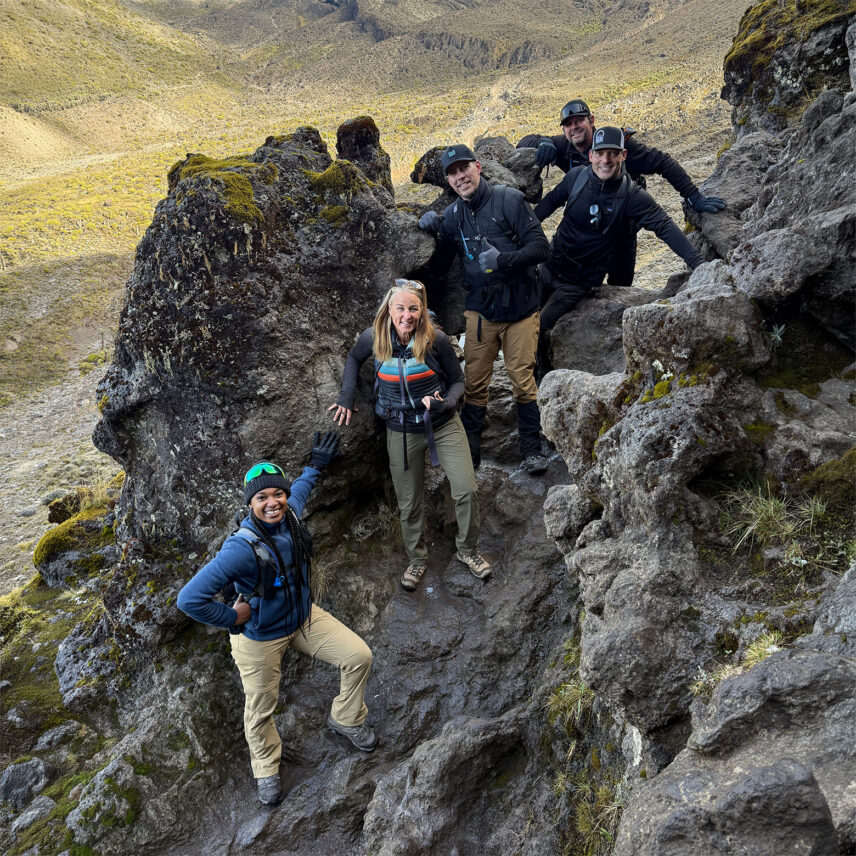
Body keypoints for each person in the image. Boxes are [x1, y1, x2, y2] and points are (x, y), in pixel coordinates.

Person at [176, 436, 376, 808]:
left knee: (359, 656)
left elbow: (300, 488)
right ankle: (266, 771)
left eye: (276, 494)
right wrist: (232, 618)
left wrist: (316, 466)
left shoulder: (291, 514)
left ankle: (346, 718)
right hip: (258, 637)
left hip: (302, 619)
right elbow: (188, 599)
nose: (273, 503)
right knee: (261, 709)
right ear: (250, 504)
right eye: (261, 498)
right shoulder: (240, 548)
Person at [330, 278, 491, 592]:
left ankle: (468, 552)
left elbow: (459, 382)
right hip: (400, 430)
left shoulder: (437, 340)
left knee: (466, 489)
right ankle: (417, 560)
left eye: (413, 308)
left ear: (422, 310)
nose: (407, 315)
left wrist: (447, 401)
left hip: (443, 424)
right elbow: (353, 359)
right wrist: (346, 396)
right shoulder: (373, 338)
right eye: (400, 308)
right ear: (390, 309)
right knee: (409, 502)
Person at [418, 144, 551, 475]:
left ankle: (532, 449)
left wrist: (504, 260)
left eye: (464, 168)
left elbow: (541, 248)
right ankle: (471, 450)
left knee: (522, 379)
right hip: (480, 310)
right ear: (448, 180)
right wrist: (430, 227)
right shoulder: (453, 219)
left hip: (521, 307)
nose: (460, 176)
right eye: (452, 172)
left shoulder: (509, 200)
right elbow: (440, 267)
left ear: (477, 166)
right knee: (475, 381)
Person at [533, 126, 706, 374]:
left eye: (612, 154)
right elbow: (546, 206)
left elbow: (666, 228)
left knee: (538, 327)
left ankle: (539, 380)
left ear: (623, 155)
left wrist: (698, 262)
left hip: (577, 283)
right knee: (519, 318)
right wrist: (517, 233)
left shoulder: (633, 197)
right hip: (549, 266)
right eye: (600, 153)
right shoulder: (577, 177)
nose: (605, 160)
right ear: (590, 155)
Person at [517, 98, 725, 285]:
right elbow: (525, 143)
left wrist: (693, 197)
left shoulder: (620, 146)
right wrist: (543, 143)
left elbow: (663, 163)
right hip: (586, 234)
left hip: (621, 232)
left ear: (591, 120)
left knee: (621, 285)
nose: (574, 127)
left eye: (579, 121)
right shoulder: (565, 145)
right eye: (568, 124)